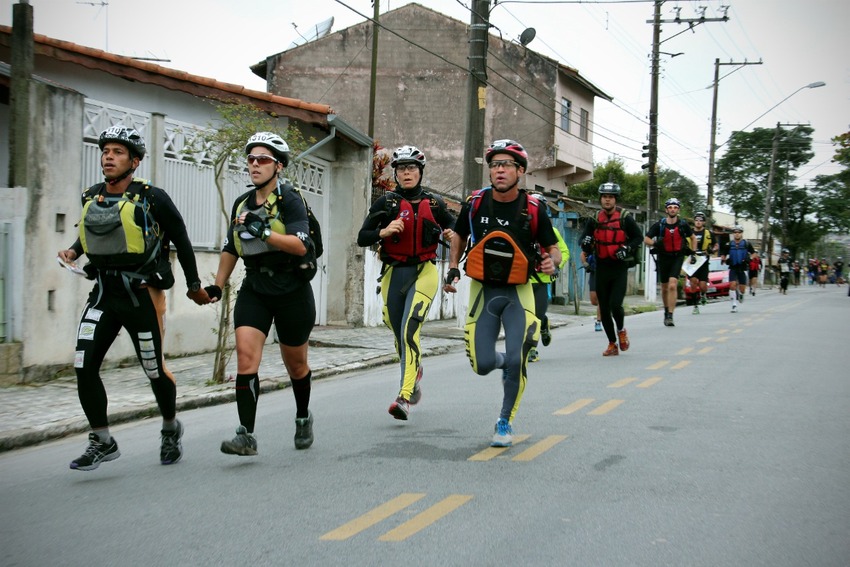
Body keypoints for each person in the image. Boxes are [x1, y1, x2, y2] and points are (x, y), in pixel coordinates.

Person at [58, 125, 211, 471]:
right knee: (84, 365)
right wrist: (72, 251)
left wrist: (193, 285)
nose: (108, 157)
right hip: (103, 296)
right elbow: (90, 233)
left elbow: (182, 238)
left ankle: (171, 427)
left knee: (154, 369)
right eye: (105, 151)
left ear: (135, 161)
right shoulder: (92, 196)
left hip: (141, 296)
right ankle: (102, 440)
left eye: (118, 152)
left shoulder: (153, 197)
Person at [444, 139, 561, 447]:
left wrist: (552, 262)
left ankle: (505, 421)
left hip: (518, 293)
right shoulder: (476, 203)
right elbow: (458, 234)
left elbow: (553, 249)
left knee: (517, 357)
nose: (499, 170)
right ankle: (506, 361)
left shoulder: (534, 209)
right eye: (495, 165)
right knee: (482, 364)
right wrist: (453, 267)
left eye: (506, 165)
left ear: (520, 171)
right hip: (484, 291)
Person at [207, 132, 317, 456]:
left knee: (296, 365)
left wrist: (265, 232)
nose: (255, 164)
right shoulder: (242, 204)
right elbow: (232, 247)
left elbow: (302, 245)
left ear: (278, 166)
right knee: (245, 358)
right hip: (255, 287)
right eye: (251, 159)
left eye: (263, 159)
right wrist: (217, 284)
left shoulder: (291, 200)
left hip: (291, 288)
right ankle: (246, 435)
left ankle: (302, 416)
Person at [356, 145, 455, 420]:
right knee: (398, 331)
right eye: (401, 169)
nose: (406, 173)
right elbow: (362, 237)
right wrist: (383, 231)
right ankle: (416, 369)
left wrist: (450, 232)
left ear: (420, 172)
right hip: (393, 273)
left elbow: (457, 229)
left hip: (424, 272)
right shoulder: (386, 203)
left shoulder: (434, 203)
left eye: (411, 168)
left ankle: (404, 396)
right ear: (396, 174)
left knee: (410, 330)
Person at [579, 181, 643, 356]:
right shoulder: (593, 219)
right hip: (601, 267)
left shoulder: (625, 217)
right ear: (600, 199)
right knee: (604, 308)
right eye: (604, 197)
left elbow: (638, 237)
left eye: (610, 197)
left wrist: (626, 248)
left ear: (615, 199)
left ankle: (621, 330)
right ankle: (612, 343)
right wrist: (585, 242)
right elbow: (583, 240)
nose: (607, 200)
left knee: (616, 305)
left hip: (619, 267)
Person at [527, 194, 570, 362]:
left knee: (537, 315)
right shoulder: (521, 229)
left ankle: (541, 330)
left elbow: (564, 252)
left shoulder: (552, 232)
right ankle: (530, 347)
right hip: (522, 280)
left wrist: (555, 265)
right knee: (523, 317)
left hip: (542, 280)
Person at [644, 197, 695, 327]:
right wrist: (655, 244)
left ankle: (671, 315)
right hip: (663, 257)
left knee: (673, 285)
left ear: (678, 209)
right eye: (670, 207)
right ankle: (666, 311)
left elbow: (693, 238)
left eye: (675, 207)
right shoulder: (660, 225)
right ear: (666, 209)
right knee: (665, 287)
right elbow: (646, 239)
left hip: (677, 257)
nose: (673, 209)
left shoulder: (683, 225)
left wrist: (693, 253)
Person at [719, 225, 755, 313]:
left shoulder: (747, 243)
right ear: (733, 234)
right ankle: (734, 305)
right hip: (733, 267)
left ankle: (741, 294)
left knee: (742, 289)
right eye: (735, 232)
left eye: (739, 232)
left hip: (743, 268)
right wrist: (723, 259)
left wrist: (749, 258)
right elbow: (723, 254)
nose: (737, 234)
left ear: (741, 233)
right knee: (732, 285)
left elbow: (754, 253)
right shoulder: (729, 244)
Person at [687, 211, 716, 314]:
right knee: (693, 283)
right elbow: (683, 243)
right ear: (694, 221)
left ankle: (703, 294)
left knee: (703, 285)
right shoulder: (689, 232)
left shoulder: (709, 233)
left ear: (703, 222)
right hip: (692, 260)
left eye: (700, 220)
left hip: (703, 261)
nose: (698, 222)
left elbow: (716, 245)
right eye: (696, 220)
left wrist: (712, 250)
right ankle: (695, 305)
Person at [580, 251, 603, 332]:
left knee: (601, 299)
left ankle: (598, 321)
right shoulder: (592, 242)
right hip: (594, 272)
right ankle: (605, 307)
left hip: (605, 271)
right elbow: (583, 253)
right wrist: (585, 264)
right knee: (593, 301)